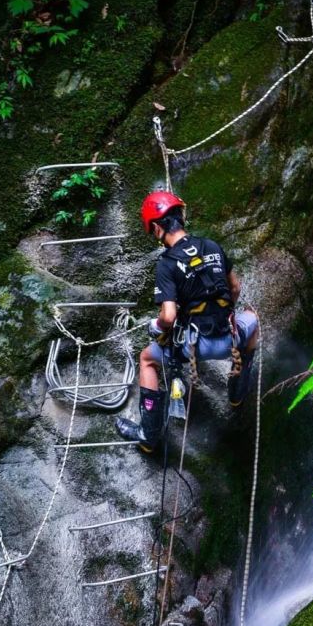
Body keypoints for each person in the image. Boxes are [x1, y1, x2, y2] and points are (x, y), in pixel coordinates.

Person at [115, 191, 259, 452]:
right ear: (181, 218)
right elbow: (234, 289)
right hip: (232, 338)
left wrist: (156, 327)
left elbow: (168, 316)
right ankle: (237, 392)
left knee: (147, 359)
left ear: (157, 229)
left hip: (195, 347)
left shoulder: (167, 264)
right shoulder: (212, 246)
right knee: (253, 321)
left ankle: (148, 436)